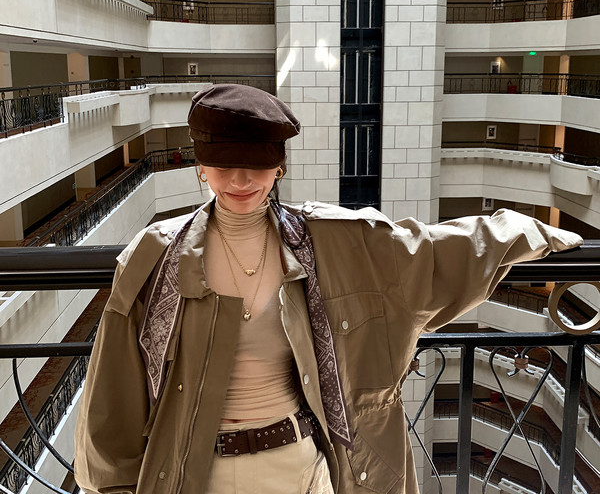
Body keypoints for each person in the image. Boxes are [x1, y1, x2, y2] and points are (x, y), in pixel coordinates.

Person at [74, 84, 583, 494]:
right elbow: (112, 397)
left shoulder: (329, 242)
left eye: (257, 164)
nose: (241, 180)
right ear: (200, 166)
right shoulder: (155, 257)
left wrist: (527, 231)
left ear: (280, 166)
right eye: (224, 165)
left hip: (300, 470)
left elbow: (429, 252)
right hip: (193, 475)